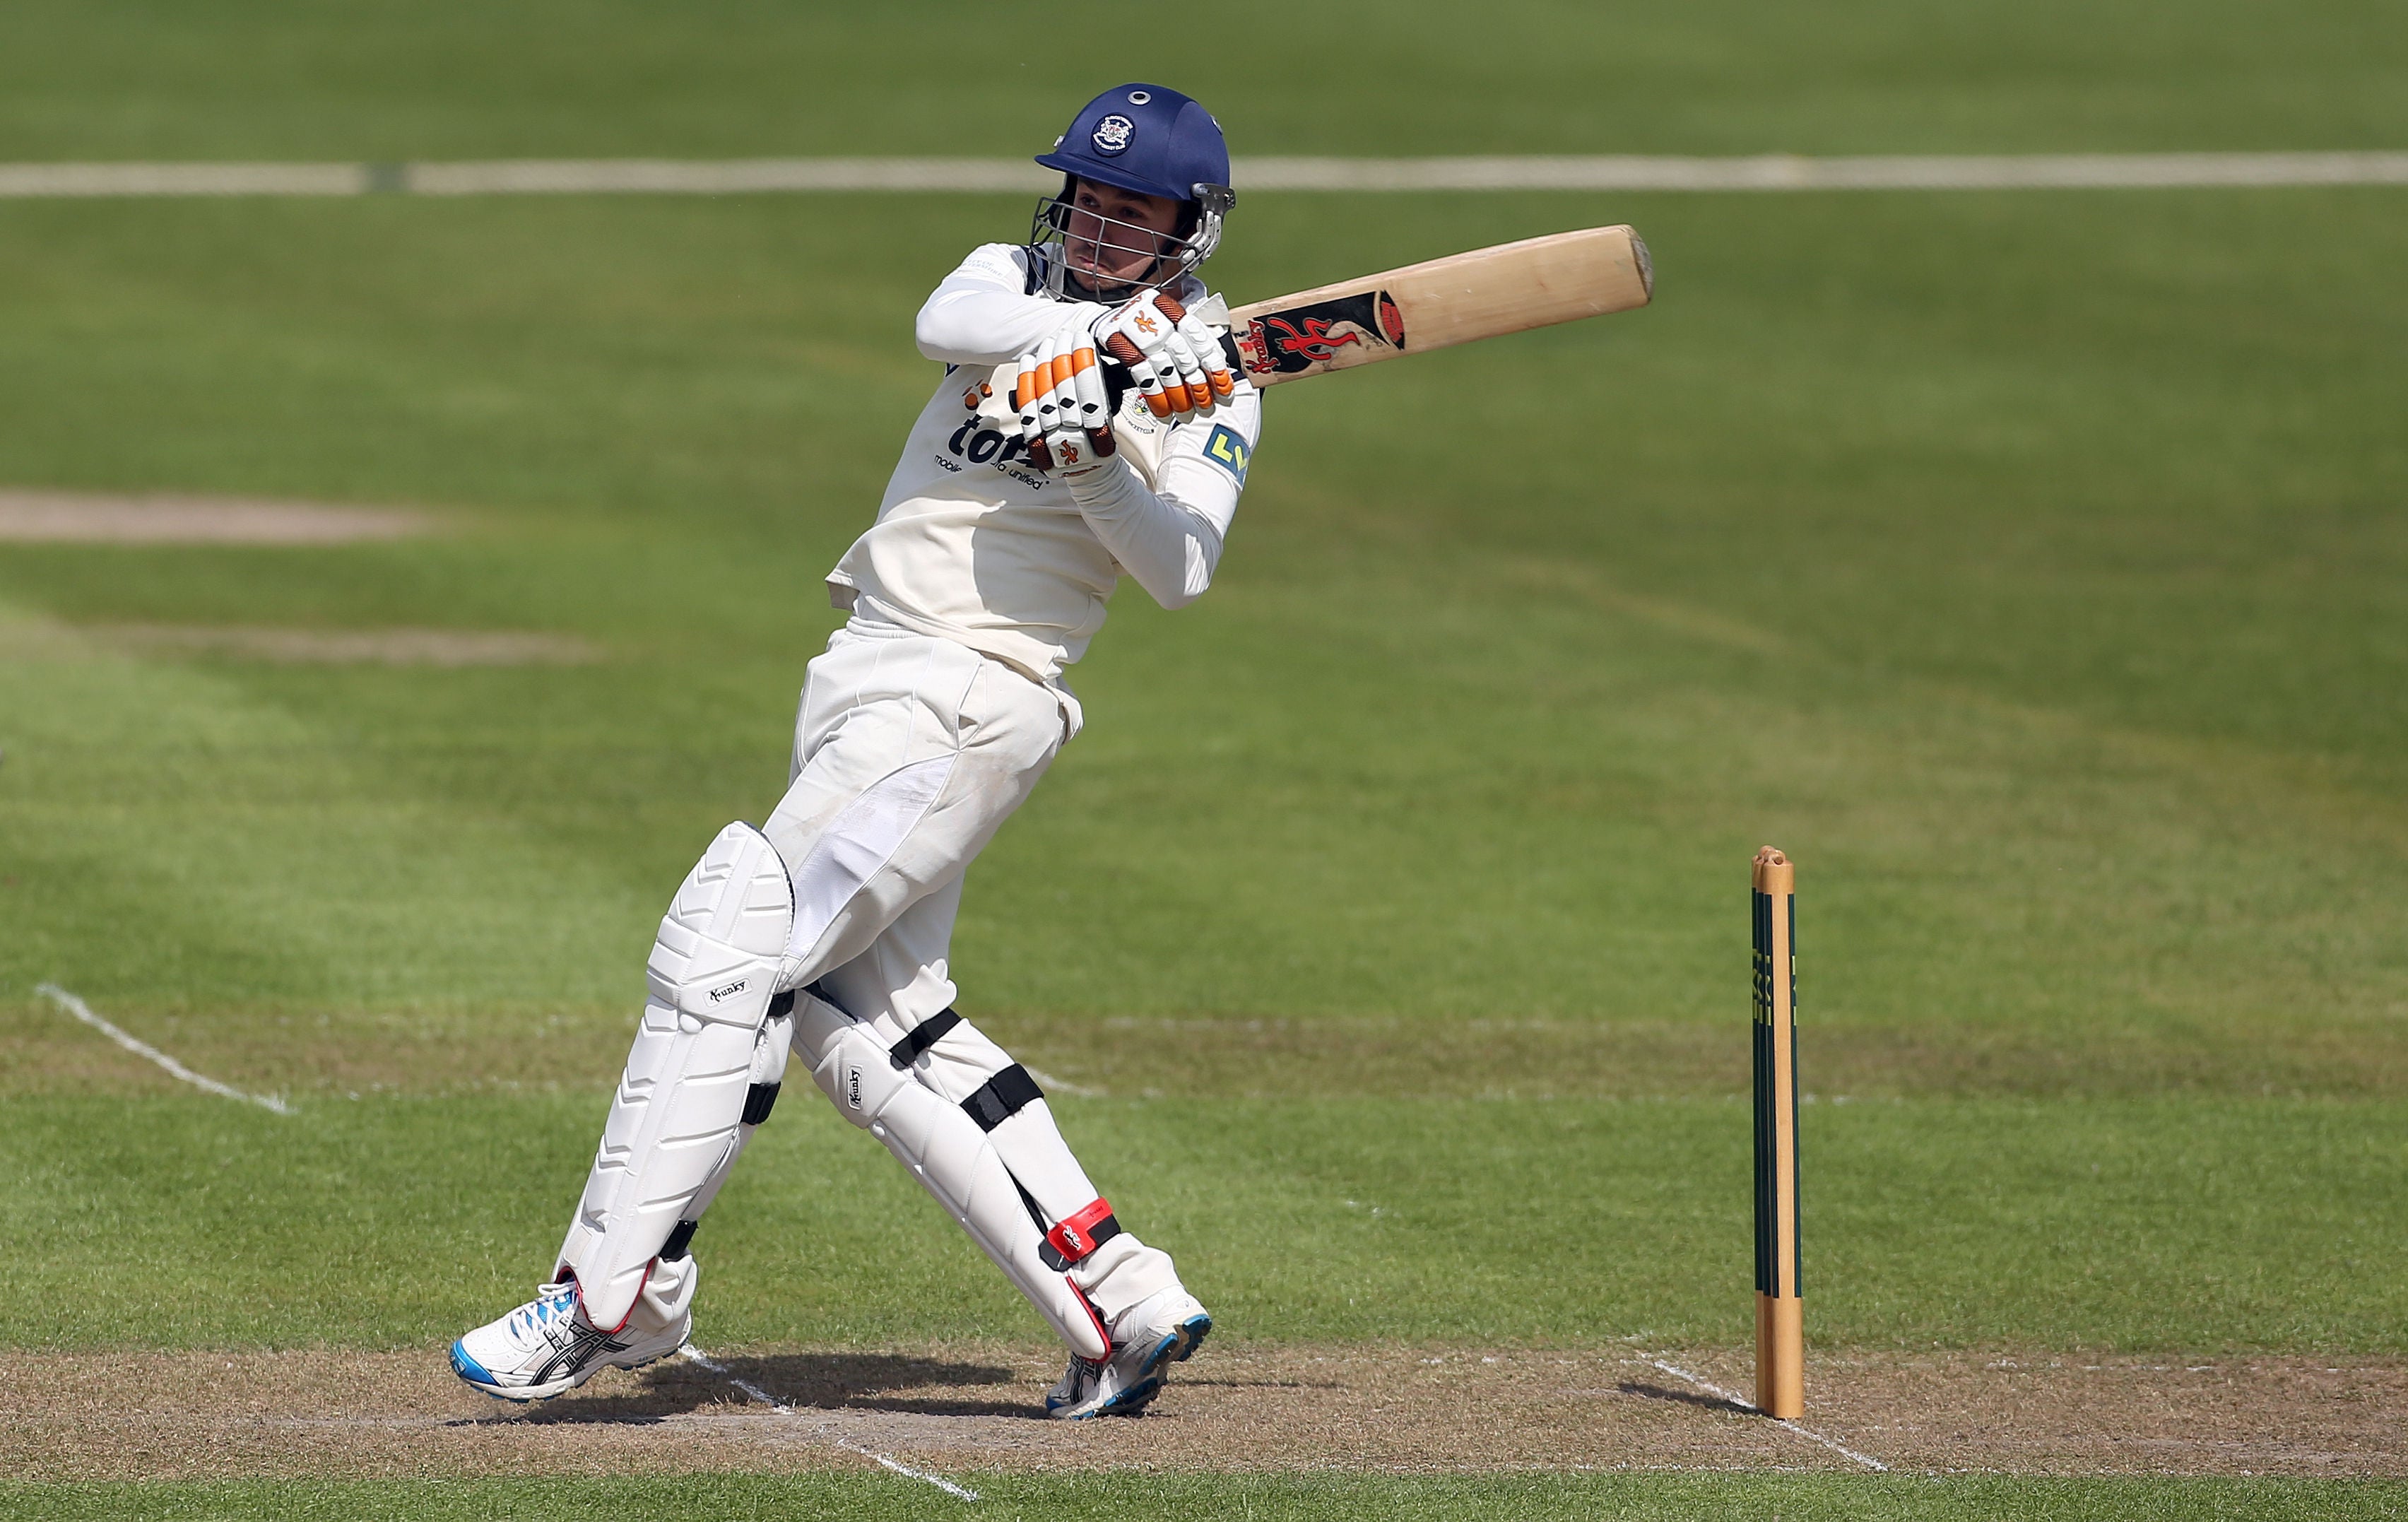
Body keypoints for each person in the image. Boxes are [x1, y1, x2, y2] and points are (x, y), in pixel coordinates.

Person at [449, 83, 1258, 1422]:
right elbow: (946, 322)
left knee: (730, 948)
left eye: (1137, 211)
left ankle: (607, 1295)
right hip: (873, 668)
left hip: (963, 694)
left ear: (1191, 226)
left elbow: (1180, 570)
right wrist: (1101, 344)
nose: (1105, 224)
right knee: (881, 1016)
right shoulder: (1019, 279)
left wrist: (1102, 456)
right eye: (1092, 198)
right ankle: (1120, 1296)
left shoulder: (1216, 370)